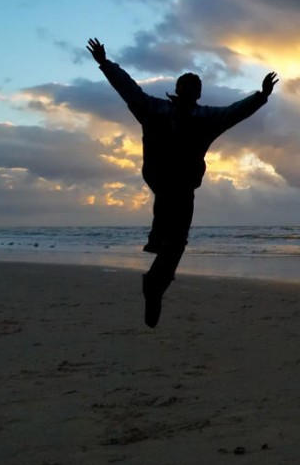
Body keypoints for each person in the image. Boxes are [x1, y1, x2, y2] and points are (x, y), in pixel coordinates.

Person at [86, 37, 277, 327]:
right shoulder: (188, 115)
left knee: (173, 237)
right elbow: (234, 111)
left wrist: (260, 96)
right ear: (191, 92)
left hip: (167, 181)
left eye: (189, 89)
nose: (188, 93)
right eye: (187, 89)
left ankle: (156, 275)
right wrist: (260, 96)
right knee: (175, 238)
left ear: (187, 92)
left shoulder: (169, 111)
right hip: (173, 181)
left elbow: (129, 89)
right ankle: (155, 276)